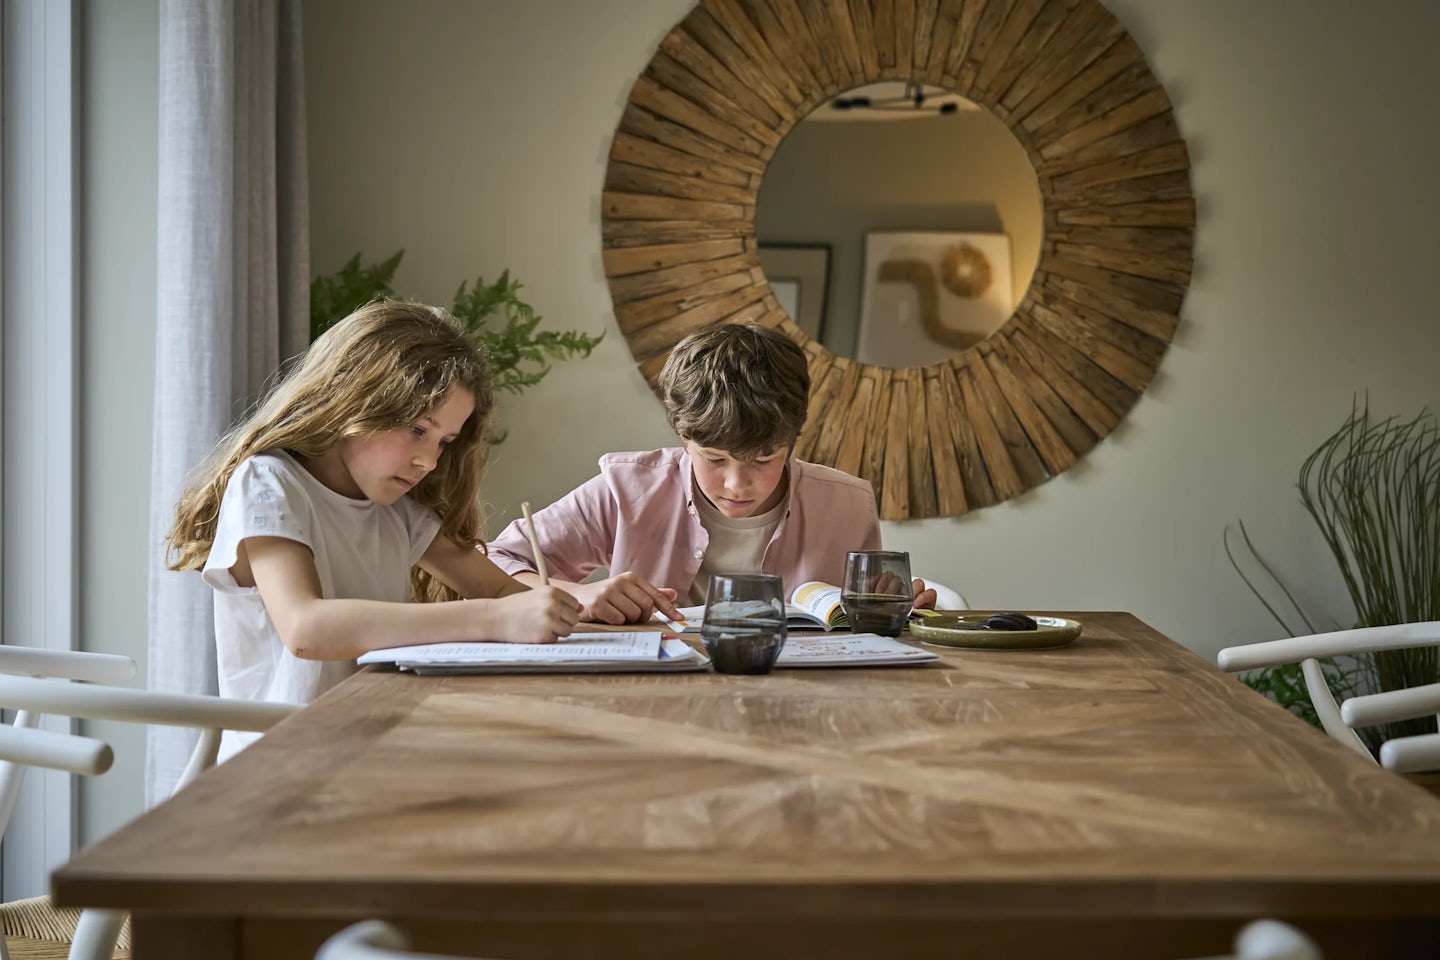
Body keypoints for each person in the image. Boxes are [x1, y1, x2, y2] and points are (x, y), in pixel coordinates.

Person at [167, 301, 581, 757]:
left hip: (368, 748)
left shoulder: (397, 512)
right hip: (282, 764)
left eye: (444, 442)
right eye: (416, 430)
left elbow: (502, 592)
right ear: (356, 397)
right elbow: (307, 629)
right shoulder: (269, 483)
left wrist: (580, 603)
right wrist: (493, 620)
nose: (429, 461)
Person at [488, 323, 935, 623]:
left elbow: (852, 622)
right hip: (650, 704)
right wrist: (580, 595)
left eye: (763, 459)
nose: (737, 485)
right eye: (715, 459)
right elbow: (496, 562)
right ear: (684, 438)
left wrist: (890, 607)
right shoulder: (628, 489)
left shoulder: (847, 504)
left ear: (794, 438)